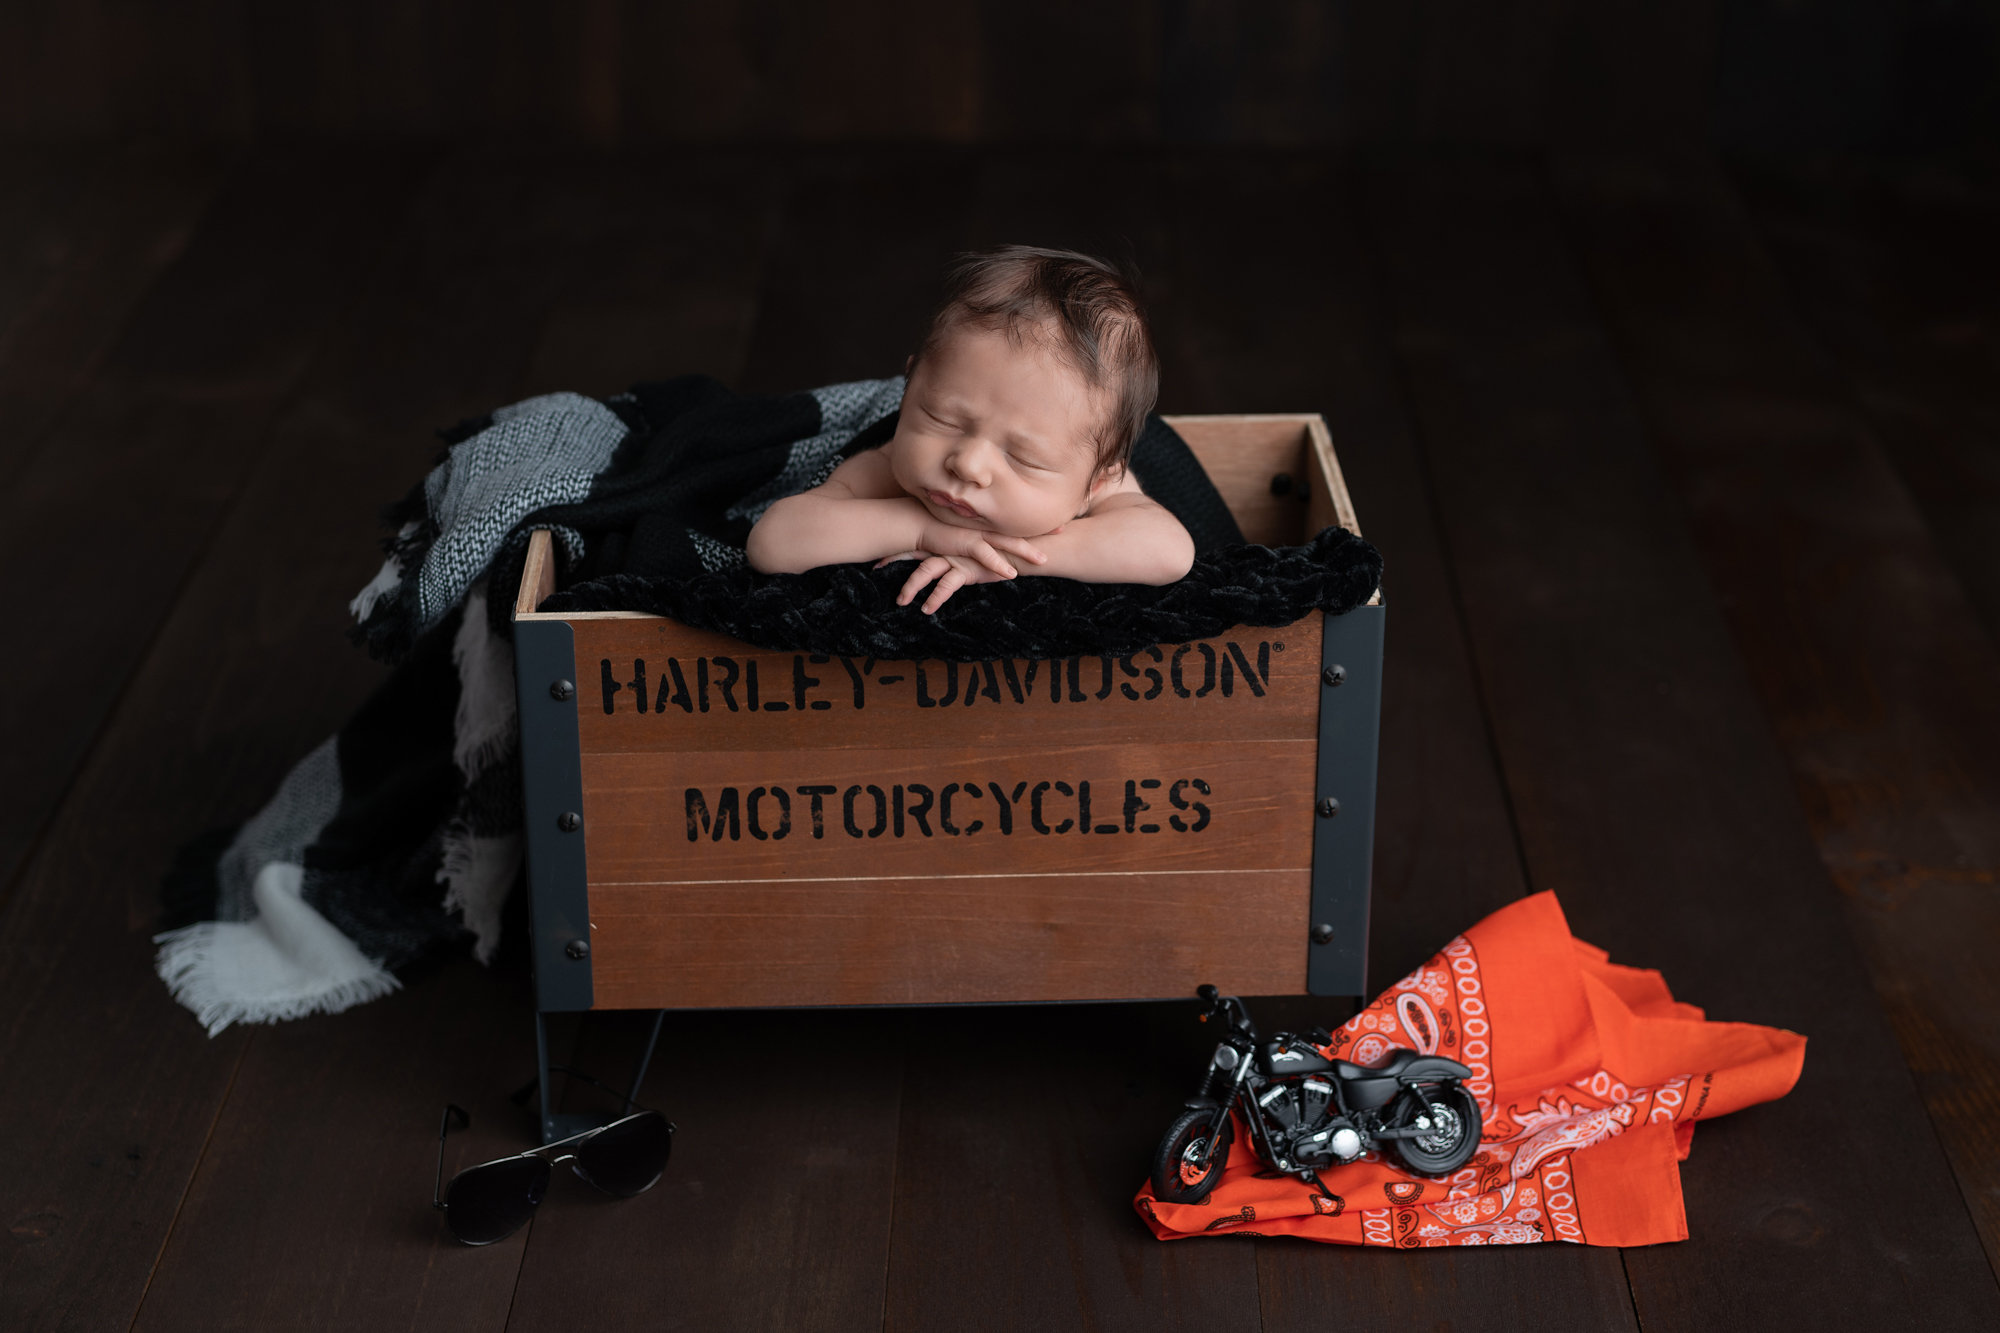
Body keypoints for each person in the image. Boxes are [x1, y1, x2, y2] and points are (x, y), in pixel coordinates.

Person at [745, 245, 1196, 613]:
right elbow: (774, 542)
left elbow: (1169, 552)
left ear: (1097, 480)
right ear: (908, 388)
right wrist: (922, 529)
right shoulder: (886, 468)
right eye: (943, 419)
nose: (967, 463)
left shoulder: (1098, 482)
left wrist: (1006, 556)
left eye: (1024, 457)